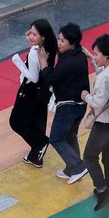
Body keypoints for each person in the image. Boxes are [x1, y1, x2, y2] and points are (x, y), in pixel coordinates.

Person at [39, 22, 90, 184]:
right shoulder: (78, 54)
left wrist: (43, 63)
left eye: (62, 40)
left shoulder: (68, 62)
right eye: (58, 39)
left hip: (68, 106)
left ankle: (78, 166)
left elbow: (49, 79)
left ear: (72, 42)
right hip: (80, 105)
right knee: (69, 136)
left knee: (56, 138)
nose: (59, 43)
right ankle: (71, 169)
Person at [81, 34, 109, 211]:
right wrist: (93, 60)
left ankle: (102, 189)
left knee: (89, 157)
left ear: (106, 55)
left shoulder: (103, 78)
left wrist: (86, 96)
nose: (95, 56)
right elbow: (106, 75)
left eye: (97, 54)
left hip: (103, 124)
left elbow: (98, 102)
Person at [9, 19, 58, 168]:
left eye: (33, 34)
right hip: (41, 92)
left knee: (16, 122)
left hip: (29, 92)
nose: (30, 36)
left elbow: (33, 77)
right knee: (36, 122)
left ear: (42, 37)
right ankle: (36, 155)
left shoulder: (34, 53)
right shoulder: (48, 48)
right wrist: (32, 39)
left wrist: (17, 62)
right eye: (29, 32)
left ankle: (41, 143)